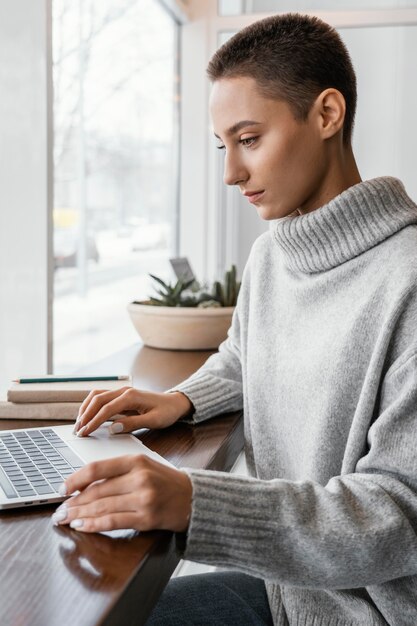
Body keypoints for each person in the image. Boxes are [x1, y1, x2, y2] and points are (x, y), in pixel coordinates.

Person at [51, 13, 417, 626]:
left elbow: (400, 518)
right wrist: (182, 401)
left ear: (328, 115)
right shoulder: (274, 253)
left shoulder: (405, 280)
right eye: (224, 146)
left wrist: (195, 502)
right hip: (288, 591)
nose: (230, 173)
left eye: (249, 139)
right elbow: (246, 356)